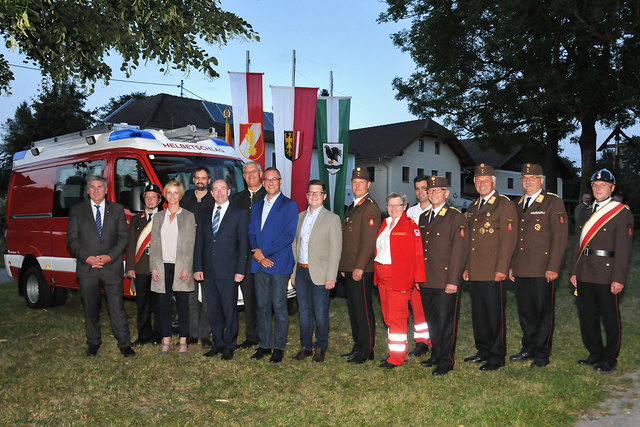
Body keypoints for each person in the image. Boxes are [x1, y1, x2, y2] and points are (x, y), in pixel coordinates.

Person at [570, 168, 634, 372]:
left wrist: (618, 278)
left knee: (609, 316)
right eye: (595, 185)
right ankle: (595, 352)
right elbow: (578, 244)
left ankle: (610, 357)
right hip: (585, 270)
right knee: (587, 315)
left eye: (603, 185)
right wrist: (573, 271)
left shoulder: (621, 212)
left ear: (612, 188)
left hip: (607, 272)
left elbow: (624, 249)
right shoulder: (585, 211)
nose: (598, 188)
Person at [66, 175, 134, 358]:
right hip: (87, 267)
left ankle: (125, 344)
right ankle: (93, 343)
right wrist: (86, 258)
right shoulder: (77, 211)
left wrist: (109, 257)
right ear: (88, 190)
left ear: (106, 190)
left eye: (100, 187)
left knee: (117, 307)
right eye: (93, 187)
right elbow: (72, 240)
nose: (96, 190)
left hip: (111, 267)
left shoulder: (118, 210)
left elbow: (123, 238)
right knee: (90, 307)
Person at [508, 164, 568, 368]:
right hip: (522, 268)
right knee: (525, 311)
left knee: (543, 312)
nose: (528, 181)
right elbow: (515, 238)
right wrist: (512, 265)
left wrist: (553, 266)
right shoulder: (517, 204)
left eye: (533, 178)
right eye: (525, 178)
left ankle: (542, 353)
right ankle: (528, 347)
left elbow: (559, 238)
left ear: (541, 181)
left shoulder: (552, 202)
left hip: (543, 269)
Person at [463, 164, 517, 371]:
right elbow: (470, 241)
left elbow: (508, 240)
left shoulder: (503, 205)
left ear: (494, 183)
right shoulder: (473, 207)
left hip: (494, 270)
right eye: (478, 180)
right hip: (476, 270)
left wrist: (502, 268)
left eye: (486, 180)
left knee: (494, 314)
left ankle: (496, 356)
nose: (481, 184)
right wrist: (467, 266)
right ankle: (483, 350)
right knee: (479, 314)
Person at [418, 176, 469, 376]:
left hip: (446, 280)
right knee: (432, 320)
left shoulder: (456, 217)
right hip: (427, 279)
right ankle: (436, 353)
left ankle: (446, 360)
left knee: (446, 321)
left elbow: (460, 251)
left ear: (446, 194)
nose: (433, 194)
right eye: (430, 191)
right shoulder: (424, 217)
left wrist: (453, 281)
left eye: (438, 190)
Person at [247, 167, 299, 363]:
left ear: (280, 181)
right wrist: (258, 256)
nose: (270, 183)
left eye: (274, 179)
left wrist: (264, 253)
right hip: (260, 264)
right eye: (267, 179)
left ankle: (279, 347)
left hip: (278, 264)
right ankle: (265, 345)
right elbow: (251, 231)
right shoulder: (258, 205)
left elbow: (288, 235)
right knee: (262, 307)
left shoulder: (289, 205)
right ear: (263, 180)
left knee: (279, 307)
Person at [194, 179, 248, 361]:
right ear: (211, 193)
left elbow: (243, 244)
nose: (219, 192)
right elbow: (199, 242)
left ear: (229, 191)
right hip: (208, 271)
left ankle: (230, 344)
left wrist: (241, 269)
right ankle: (218, 343)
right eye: (215, 189)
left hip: (229, 271)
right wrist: (198, 267)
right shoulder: (204, 213)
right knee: (213, 309)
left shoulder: (239, 214)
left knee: (229, 310)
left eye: (222, 189)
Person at [291, 180, 342, 363]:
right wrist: (293, 273)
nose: (314, 196)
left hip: (321, 274)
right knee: (304, 311)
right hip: (302, 272)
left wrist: (331, 276)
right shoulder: (300, 217)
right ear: (306, 196)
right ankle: (306, 346)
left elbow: (336, 249)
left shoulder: (332, 218)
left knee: (320, 312)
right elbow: (295, 245)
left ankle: (320, 347)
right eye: (311, 193)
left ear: (324, 196)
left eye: (318, 193)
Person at [375, 192, 426, 369]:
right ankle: (394, 352)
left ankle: (397, 358)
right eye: (390, 205)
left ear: (404, 207)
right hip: (382, 276)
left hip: (398, 277)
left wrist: (418, 278)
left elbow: (418, 254)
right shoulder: (386, 224)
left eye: (397, 205)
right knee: (388, 316)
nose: (393, 209)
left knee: (397, 318)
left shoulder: (410, 226)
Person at [339, 167, 381, 364]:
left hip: (361, 269)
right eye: (355, 182)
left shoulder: (370, 207)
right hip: (349, 267)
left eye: (361, 182)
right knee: (354, 309)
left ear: (368, 185)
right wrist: (344, 265)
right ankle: (358, 346)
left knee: (363, 310)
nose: (357, 185)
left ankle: (366, 350)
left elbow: (369, 242)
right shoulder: (353, 206)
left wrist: (359, 267)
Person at [150, 181, 196, 356]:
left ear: (181, 195)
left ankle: (183, 341)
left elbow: (191, 244)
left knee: (183, 305)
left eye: (175, 193)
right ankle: (166, 341)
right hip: (161, 267)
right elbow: (154, 244)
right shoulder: (159, 217)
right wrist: (153, 267)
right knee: (163, 305)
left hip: (181, 268)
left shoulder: (188, 216)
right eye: (169, 192)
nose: (172, 196)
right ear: (165, 195)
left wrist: (187, 268)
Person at [230, 161, 266, 349]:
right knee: (249, 299)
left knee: (265, 299)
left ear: (260, 174)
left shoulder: (269, 196)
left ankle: (266, 336)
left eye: (254, 171)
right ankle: (252, 337)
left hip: (265, 257)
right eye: (247, 172)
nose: (250, 175)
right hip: (244, 259)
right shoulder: (236, 200)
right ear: (243, 176)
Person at [125, 183, 163, 347]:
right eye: (147, 197)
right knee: (142, 304)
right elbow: (131, 244)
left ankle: (157, 336)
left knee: (159, 304)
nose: (150, 199)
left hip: (159, 267)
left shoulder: (165, 217)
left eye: (153, 197)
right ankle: (143, 335)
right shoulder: (135, 219)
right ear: (143, 199)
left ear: (159, 200)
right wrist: (130, 267)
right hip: (140, 268)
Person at [180, 166, 215, 348]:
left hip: (208, 253)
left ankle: (205, 334)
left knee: (208, 296)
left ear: (209, 181)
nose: (200, 181)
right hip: (188, 253)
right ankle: (192, 333)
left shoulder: (214, 199)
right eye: (197, 178)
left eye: (204, 178)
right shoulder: (185, 199)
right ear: (193, 180)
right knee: (190, 295)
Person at [405, 174, 432, 357]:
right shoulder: (410, 213)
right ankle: (421, 342)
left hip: (433, 268)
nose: (420, 192)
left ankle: (435, 340)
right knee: (417, 308)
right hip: (414, 268)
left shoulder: (438, 211)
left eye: (424, 188)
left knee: (433, 307)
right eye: (417, 188)